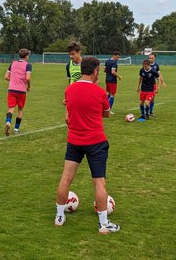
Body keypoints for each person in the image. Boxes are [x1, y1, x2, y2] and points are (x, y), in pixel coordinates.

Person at [55, 57, 120, 234]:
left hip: (74, 141)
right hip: (96, 142)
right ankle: (104, 224)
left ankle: (59, 217)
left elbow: (68, 115)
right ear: (96, 71)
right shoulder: (100, 92)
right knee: (99, 182)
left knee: (66, 178)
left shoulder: (69, 90)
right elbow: (106, 114)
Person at [4, 48, 32, 136]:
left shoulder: (13, 63)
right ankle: (16, 129)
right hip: (21, 91)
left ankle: (8, 122)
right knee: (20, 109)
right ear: (26, 56)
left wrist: (13, 81)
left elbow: (6, 77)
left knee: (11, 108)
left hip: (11, 89)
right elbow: (27, 78)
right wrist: (28, 86)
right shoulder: (28, 65)